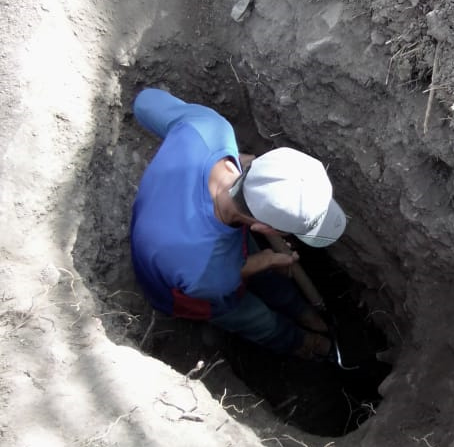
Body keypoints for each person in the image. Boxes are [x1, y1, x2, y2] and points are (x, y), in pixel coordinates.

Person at [130, 88, 346, 359]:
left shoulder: (210, 129)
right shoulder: (210, 274)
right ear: (264, 229)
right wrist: (264, 261)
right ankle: (303, 342)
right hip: (180, 283)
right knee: (258, 319)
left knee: (268, 276)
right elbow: (224, 278)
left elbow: (145, 102)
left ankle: (304, 311)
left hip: (185, 236)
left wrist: (266, 261)